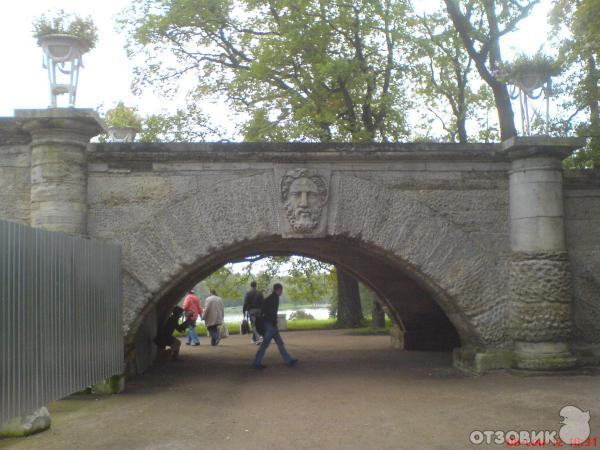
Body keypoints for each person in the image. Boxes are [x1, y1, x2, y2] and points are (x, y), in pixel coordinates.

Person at [253, 283, 298, 369]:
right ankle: (256, 362)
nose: (282, 292)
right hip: (270, 325)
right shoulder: (274, 299)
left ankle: (288, 360)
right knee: (266, 344)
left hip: (270, 324)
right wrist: (273, 323)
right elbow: (272, 313)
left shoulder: (271, 298)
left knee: (279, 343)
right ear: (278, 289)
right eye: (281, 290)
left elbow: (264, 311)